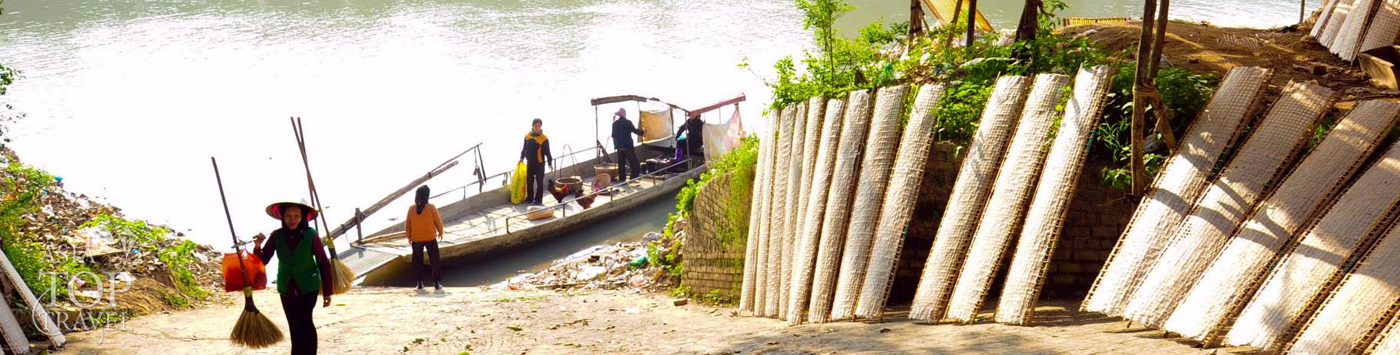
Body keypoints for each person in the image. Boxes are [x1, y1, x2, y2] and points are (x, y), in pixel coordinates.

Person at [253, 201, 333, 355]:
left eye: (296, 216)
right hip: (286, 287)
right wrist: (258, 246)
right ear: (282, 217)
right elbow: (262, 261)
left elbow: (323, 262)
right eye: (288, 216)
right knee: (293, 324)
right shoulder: (277, 236)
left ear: (302, 217)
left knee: (305, 322)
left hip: (309, 286)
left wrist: (328, 291)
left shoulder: (311, 235)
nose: (292, 219)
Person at [405, 185, 444, 291]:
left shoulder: (411, 209)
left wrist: (409, 236)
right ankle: (436, 283)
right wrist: (440, 232)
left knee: (417, 261)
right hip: (430, 237)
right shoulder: (431, 207)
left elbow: (408, 224)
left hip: (416, 239)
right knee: (434, 260)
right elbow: (438, 221)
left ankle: (420, 283)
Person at [519, 118, 553, 205]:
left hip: (539, 164)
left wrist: (550, 163)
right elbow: (524, 149)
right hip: (530, 163)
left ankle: (538, 200)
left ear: (541, 126)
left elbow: (547, 152)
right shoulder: (527, 136)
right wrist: (521, 158)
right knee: (529, 181)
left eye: (538, 126)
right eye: (535, 126)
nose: (537, 128)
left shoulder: (544, 139)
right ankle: (530, 198)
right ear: (532, 126)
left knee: (539, 182)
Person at [610, 108, 645, 181]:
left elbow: (613, 135)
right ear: (625, 114)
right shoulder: (628, 122)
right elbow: (637, 132)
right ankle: (633, 178)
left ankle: (622, 179)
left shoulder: (614, 123)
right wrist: (643, 132)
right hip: (628, 147)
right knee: (635, 164)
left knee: (621, 165)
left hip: (619, 147)